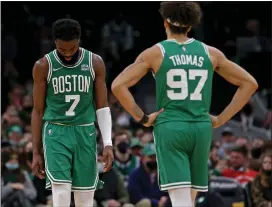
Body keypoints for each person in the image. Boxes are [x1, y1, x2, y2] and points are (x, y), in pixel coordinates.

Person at [111, 2, 258, 207]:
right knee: (189, 199)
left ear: (165, 23)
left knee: (180, 200)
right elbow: (250, 83)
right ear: (190, 27)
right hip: (201, 127)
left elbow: (118, 85)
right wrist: (221, 119)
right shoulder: (211, 53)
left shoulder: (155, 52)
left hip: (171, 126)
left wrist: (143, 118)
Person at [31, 18, 114, 207]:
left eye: (72, 49)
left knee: (85, 196)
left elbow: (102, 106)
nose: (68, 54)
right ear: (55, 43)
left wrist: (107, 143)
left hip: (85, 130)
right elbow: (37, 111)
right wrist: (36, 151)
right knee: (61, 191)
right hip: (56, 131)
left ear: (79, 41)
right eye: (63, 50)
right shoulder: (43, 65)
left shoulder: (95, 62)